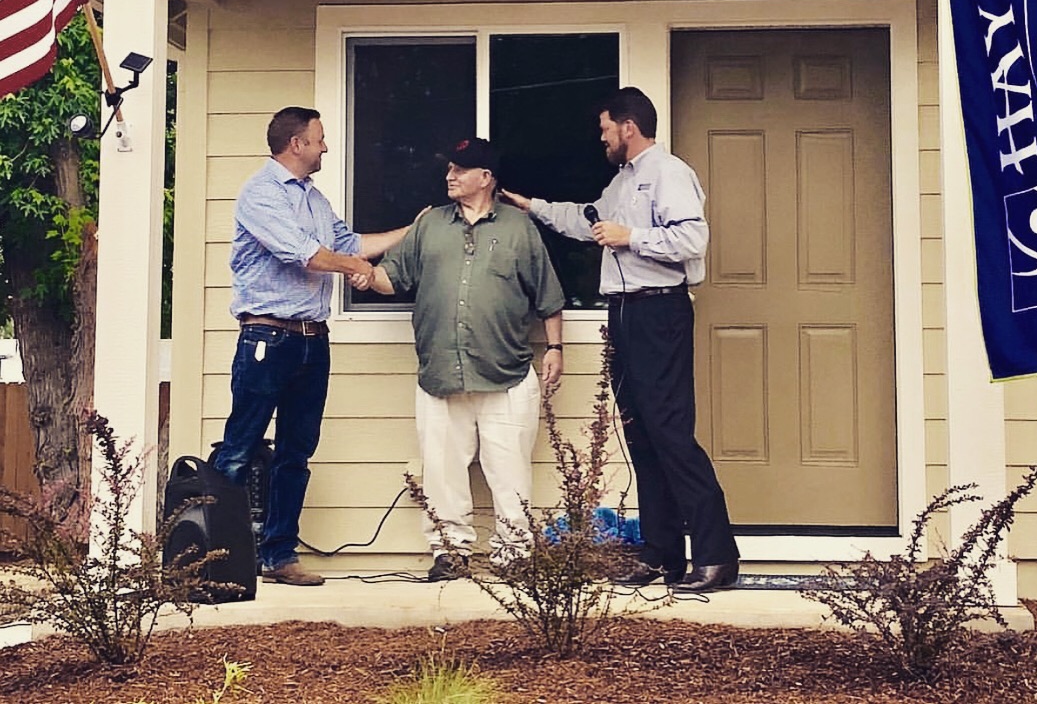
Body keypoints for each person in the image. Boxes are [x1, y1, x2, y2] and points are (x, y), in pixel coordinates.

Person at [501, 87, 739, 593]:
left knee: (670, 431)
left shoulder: (668, 173)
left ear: (628, 127)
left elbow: (692, 240)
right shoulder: (623, 180)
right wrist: (534, 207)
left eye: (606, 128)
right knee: (641, 433)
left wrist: (631, 237)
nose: (602, 137)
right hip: (626, 312)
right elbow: (590, 221)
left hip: (660, 311)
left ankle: (717, 556)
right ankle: (662, 554)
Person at [213, 106, 413, 586]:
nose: (325, 146)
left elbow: (352, 244)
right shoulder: (261, 195)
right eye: (319, 139)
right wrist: (354, 270)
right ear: (296, 144)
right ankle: (213, 561)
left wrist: (415, 228)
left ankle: (278, 555)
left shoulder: (316, 200)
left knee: (296, 452)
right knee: (240, 448)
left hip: (311, 341)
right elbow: (306, 255)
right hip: (267, 337)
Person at [363, 137, 565, 582]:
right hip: (440, 373)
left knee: (510, 470)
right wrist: (357, 272)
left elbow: (548, 296)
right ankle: (449, 551)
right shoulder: (430, 225)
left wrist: (555, 348)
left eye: (461, 169)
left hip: (506, 373)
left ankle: (515, 555)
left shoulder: (518, 228)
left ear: (486, 178)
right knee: (441, 471)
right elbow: (391, 278)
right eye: (450, 168)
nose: (450, 176)